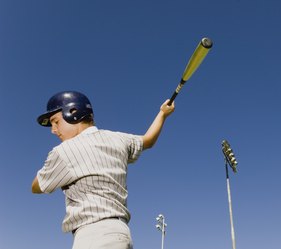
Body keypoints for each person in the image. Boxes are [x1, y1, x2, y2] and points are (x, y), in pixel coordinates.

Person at [31, 91, 175, 249]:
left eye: (55, 121)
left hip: (93, 235)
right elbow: (148, 140)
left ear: (73, 113)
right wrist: (162, 114)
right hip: (122, 234)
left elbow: (36, 187)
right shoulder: (118, 139)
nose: (53, 129)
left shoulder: (64, 151)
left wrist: (50, 170)